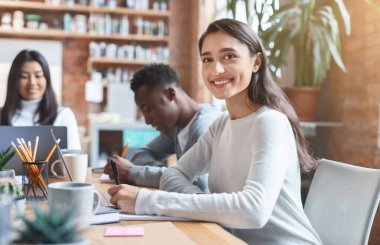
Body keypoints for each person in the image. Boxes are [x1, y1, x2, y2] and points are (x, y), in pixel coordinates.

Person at [107, 19, 322, 244]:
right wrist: (205, 205)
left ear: (256, 62)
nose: (216, 69)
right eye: (207, 59)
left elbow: (253, 211)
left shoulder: (270, 122)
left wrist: (147, 200)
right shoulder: (220, 125)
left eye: (229, 56)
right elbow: (173, 174)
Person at [103, 63, 221, 191]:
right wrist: (171, 173)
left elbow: (198, 186)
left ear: (170, 95)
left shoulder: (204, 127)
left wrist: (132, 172)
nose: (147, 120)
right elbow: (141, 154)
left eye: (148, 109)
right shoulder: (177, 127)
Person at [0, 50, 81, 150]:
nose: (32, 82)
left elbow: (75, 160)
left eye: (38, 76)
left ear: (47, 79)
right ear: (14, 81)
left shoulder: (63, 116)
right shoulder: (1, 116)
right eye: (24, 76)